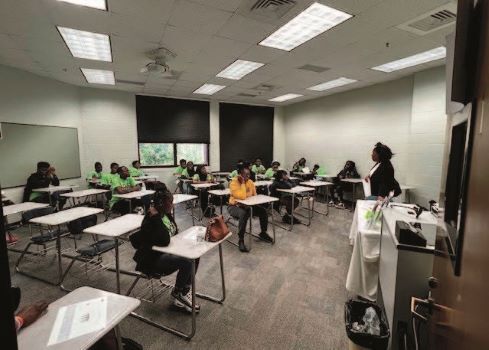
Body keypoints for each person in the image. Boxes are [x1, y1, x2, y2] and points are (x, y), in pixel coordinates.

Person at [132, 188, 200, 313]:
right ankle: (179, 293)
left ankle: (183, 291)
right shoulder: (151, 219)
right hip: (153, 260)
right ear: (162, 204)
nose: (173, 205)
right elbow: (165, 240)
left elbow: (174, 233)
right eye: (170, 202)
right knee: (187, 261)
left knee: (195, 255)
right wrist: (157, 217)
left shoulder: (166, 214)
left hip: (168, 254)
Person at [228, 166, 273, 252]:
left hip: (248, 206)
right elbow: (242, 196)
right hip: (234, 206)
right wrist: (243, 183)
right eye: (245, 175)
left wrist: (252, 202)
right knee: (243, 214)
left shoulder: (250, 182)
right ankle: (241, 239)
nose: (248, 176)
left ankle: (263, 233)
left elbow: (254, 196)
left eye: (249, 174)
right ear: (240, 175)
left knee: (263, 211)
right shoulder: (233, 183)